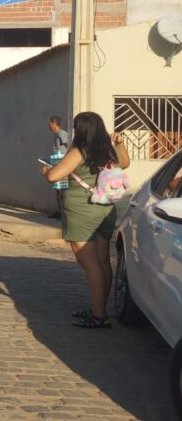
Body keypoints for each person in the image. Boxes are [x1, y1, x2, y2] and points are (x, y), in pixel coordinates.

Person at [41, 112, 130, 329]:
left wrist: (46, 171)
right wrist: (120, 143)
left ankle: (99, 316)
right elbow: (125, 163)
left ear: (81, 130)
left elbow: (54, 176)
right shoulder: (108, 150)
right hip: (105, 209)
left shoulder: (79, 151)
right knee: (102, 262)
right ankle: (99, 308)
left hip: (82, 211)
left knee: (90, 264)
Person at [48, 115, 71, 218]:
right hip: (56, 162)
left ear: (54, 123)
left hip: (62, 165)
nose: (49, 125)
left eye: (50, 123)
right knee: (58, 189)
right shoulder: (56, 135)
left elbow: (69, 147)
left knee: (62, 190)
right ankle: (59, 211)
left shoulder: (63, 134)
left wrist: (65, 162)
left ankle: (64, 213)